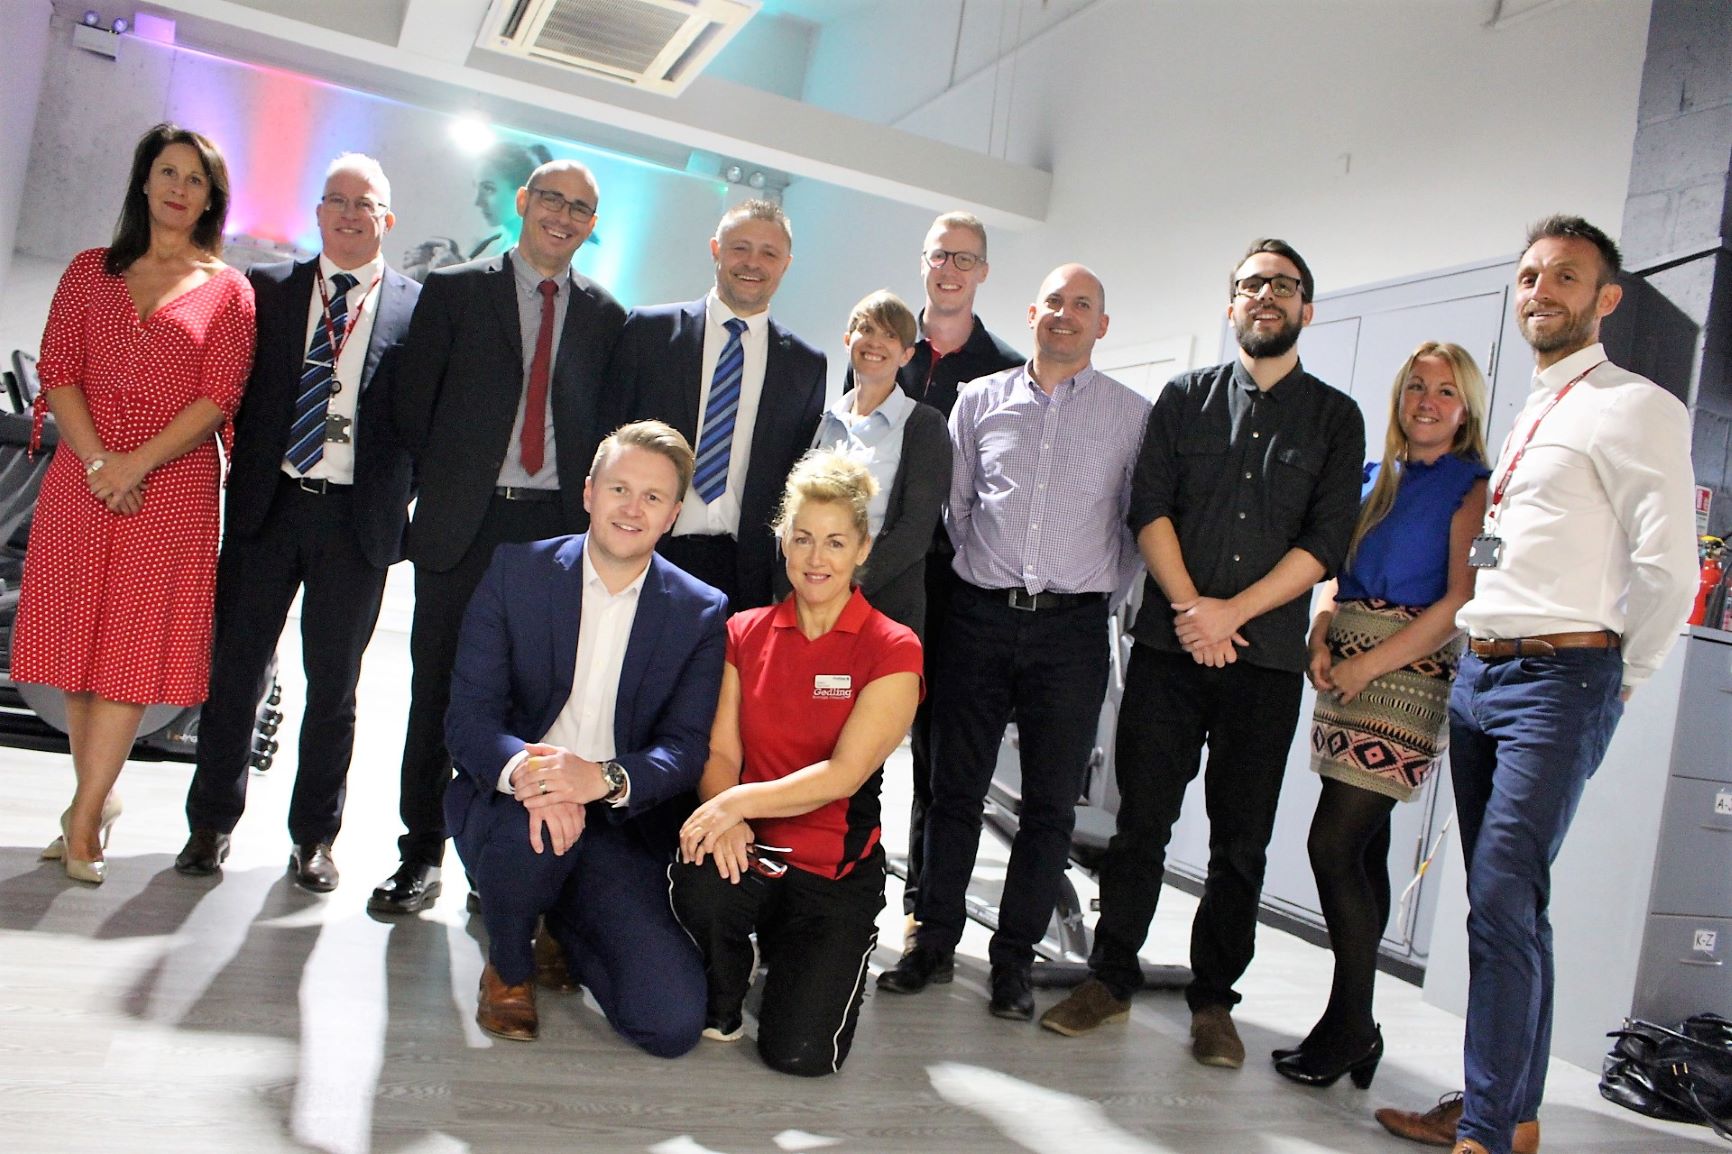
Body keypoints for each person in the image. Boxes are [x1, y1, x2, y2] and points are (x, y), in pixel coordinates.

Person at [1375, 218, 1697, 1154]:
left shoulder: (1636, 405)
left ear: (1606, 299)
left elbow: (1668, 569)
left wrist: (1616, 681)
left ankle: (1484, 1127)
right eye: (1528, 276)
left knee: (1504, 898)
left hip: (1562, 677)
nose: (1540, 290)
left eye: (1565, 276)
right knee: (1507, 902)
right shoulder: (1533, 409)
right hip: (1484, 676)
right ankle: (1506, 1114)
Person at [1039, 240, 1365, 1069]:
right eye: (1252, 284)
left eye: (1284, 286)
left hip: (1262, 662)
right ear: (1231, 305)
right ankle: (1109, 980)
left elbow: (1325, 541)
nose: (1267, 296)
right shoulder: (1181, 400)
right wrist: (1192, 610)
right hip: (1168, 649)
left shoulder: (1334, 417)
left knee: (1241, 841)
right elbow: (1149, 508)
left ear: (1305, 310)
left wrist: (1230, 616)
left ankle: (1215, 1002)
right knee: (1142, 823)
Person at [877, 264, 1150, 1022]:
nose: (1065, 315)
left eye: (1083, 305)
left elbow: (1135, 528)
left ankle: (1012, 963)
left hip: (1072, 631)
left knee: (1049, 808)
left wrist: (1080, 587)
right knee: (953, 790)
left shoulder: (1133, 416)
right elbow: (956, 509)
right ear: (1032, 313)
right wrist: (991, 578)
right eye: (1054, 302)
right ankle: (932, 943)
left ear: (1102, 325)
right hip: (979, 616)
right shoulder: (979, 399)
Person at [376, 158, 626, 914]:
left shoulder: (607, 318)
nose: (563, 215)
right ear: (524, 202)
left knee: (529, 706)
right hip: (464, 524)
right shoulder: (455, 291)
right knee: (440, 695)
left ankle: (499, 865)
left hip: (551, 535)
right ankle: (419, 853)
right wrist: (454, 481)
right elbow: (413, 408)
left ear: (591, 224)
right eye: (551, 198)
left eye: (581, 207)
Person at [13, 122, 254, 886]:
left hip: (171, 487)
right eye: (169, 172)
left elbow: (219, 397)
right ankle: (98, 796)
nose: (180, 188)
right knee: (78, 650)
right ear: (145, 183)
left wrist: (136, 465)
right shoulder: (90, 271)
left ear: (211, 198)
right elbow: (59, 369)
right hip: (84, 480)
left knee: (126, 656)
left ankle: (82, 821)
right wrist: (96, 462)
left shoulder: (230, 290)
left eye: (196, 179)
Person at [174, 153, 421, 890]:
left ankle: (315, 838)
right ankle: (210, 825)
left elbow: (429, 421)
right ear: (318, 214)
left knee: (334, 690)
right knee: (235, 674)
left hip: (357, 524)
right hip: (267, 509)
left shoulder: (419, 308)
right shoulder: (267, 291)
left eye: (365, 203)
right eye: (336, 201)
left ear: (387, 219)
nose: (350, 214)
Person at [444, 421, 727, 1055]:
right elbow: (468, 719)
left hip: (618, 822)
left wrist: (602, 779)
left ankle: (564, 923)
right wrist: (534, 775)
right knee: (535, 837)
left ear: (674, 514)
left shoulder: (700, 610)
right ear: (588, 493)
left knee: (670, 1023)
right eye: (620, 488)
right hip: (514, 805)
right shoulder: (518, 572)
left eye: (653, 498)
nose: (633, 508)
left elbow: (684, 748)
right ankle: (510, 966)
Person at [1269, 342, 1490, 1089]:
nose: (1427, 402)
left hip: (1405, 674)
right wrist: (1323, 629)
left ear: (1466, 409)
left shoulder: (1472, 488)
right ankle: (1348, 1026)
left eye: (1446, 392)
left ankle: (1353, 1025)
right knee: (1363, 850)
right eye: (1416, 387)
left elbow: (1461, 600)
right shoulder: (1370, 477)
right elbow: (1333, 572)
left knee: (1331, 846)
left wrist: (1369, 661)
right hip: (1345, 662)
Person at [670, 451, 922, 1075]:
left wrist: (731, 803)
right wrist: (727, 818)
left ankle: (795, 955)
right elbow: (722, 751)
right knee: (699, 879)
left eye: (836, 542)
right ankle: (725, 995)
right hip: (748, 849)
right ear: (782, 540)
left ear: (863, 549)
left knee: (798, 1057)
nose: (817, 559)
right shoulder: (743, 632)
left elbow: (842, 775)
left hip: (833, 870)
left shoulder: (893, 648)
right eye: (803, 538)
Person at [883, 211, 1023, 947]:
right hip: (875, 575)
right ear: (923, 262)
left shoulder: (1003, 367)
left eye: (964, 258)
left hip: (953, 581)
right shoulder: (886, 347)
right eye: (940, 255)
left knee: (939, 751)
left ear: (983, 273)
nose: (950, 269)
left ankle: (922, 905)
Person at [606, 199, 826, 610]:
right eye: (740, 247)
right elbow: (606, 445)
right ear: (715, 250)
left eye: (769, 253)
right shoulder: (648, 334)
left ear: (786, 264)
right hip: (643, 550)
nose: (753, 263)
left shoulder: (805, 365)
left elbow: (797, 475)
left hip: (744, 575)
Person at [806, 290, 951, 637]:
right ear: (847, 340)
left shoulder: (924, 425)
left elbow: (914, 533)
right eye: (866, 329)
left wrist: (842, 588)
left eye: (890, 335)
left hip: (881, 610)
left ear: (906, 354)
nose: (875, 342)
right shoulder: (823, 422)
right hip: (810, 604)